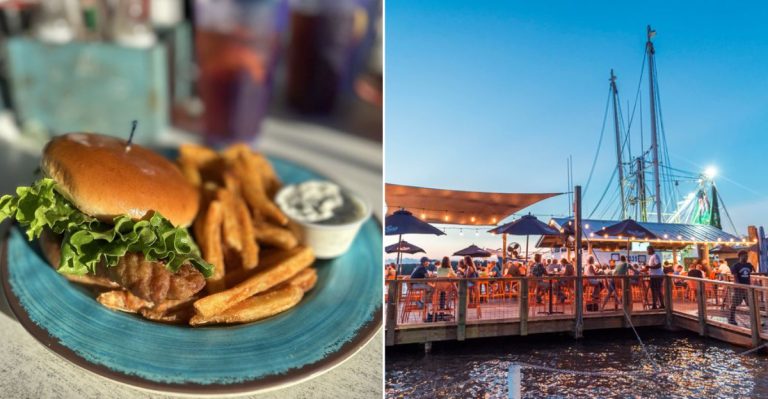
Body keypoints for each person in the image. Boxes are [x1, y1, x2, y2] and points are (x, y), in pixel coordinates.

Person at [729, 250, 755, 325]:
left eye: (747, 256)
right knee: (734, 304)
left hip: (747, 288)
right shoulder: (735, 266)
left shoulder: (749, 265)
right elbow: (736, 277)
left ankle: (754, 320)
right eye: (745, 256)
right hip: (739, 289)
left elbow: (750, 274)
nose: (746, 257)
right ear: (740, 256)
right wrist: (740, 286)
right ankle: (731, 318)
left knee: (751, 304)